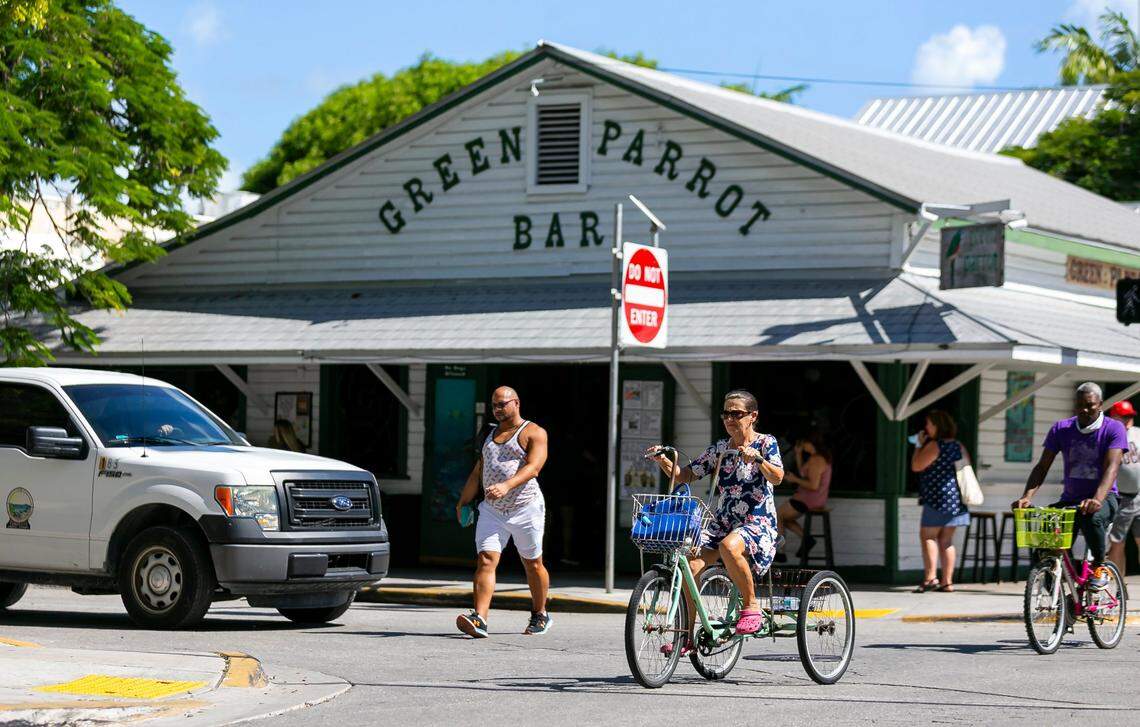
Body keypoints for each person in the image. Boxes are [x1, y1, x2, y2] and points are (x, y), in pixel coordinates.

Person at [646, 389, 783, 651]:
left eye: (737, 414)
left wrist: (759, 460)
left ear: (753, 416)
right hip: (723, 522)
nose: (730, 419)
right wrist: (662, 460)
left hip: (757, 521)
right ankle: (685, 637)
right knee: (689, 564)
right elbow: (685, 475)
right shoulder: (720, 448)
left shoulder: (766, 443)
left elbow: (777, 477)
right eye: (726, 414)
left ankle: (751, 605)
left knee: (730, 546)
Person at [454, 386, 551, 638]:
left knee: (533, 563)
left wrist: (506, 485)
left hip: (525, 507)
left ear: (516, 403)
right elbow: (479, 470)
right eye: (494, 405)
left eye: (502, 404)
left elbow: (534, 467)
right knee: (486, 559)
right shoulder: (488, 433)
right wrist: (462, 502)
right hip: (492, 510)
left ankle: (540, 613)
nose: (497, 409)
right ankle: (480, 619)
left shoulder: (533, 432)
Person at [1012, 382, 1127, 590]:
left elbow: (1112, 467)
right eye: (1079, 404)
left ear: (1100, 404)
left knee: (1091, 517)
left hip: (1105, 497)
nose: (1084, 409)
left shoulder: (1114, 428)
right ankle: (1057, 581)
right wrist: (1027, 496)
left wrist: (1097, 499)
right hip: (1071, 500)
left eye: (1090, 405)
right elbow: (1042, 466)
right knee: (1046, 525)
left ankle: (1100, 565)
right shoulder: (1061, 429)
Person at [911, 410, 970, 593]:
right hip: (955, 500)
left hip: (937, 498)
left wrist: (918, 446)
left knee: (928, 536)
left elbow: (916, 466)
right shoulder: (958, 446)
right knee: (946, 540)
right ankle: (947, 582)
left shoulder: (936, 445)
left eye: (929, 424)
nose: (926, 428)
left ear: (938, 426)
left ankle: (930, 578)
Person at [775, 432, 832, 564]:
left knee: (777, 515)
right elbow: (803, 473)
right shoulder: (815, 458)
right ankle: (807, 539)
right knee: (784, 518)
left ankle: (781, 552)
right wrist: (798, 454)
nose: (802, 445)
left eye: (803, 443)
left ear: (810, 443)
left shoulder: (817, 459)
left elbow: (813, 485)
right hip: (810, 498)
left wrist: (794, 479)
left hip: (808, 498)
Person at [1107, 400, 1140, 575]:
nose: (1128, 420)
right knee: (1117, 542)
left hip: (1139, 494)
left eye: (1130, 416)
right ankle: (1119, 584)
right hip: (1121, 497)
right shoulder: (1110, 435)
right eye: (1124, 417)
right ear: (1114, 417)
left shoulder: (1137, 434)